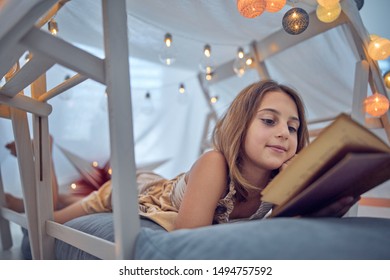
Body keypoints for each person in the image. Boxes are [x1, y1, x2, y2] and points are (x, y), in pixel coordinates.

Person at [5, 79, 359, 231]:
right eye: (270, 120)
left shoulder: (282, 185)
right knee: (49, 216)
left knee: (61, 197)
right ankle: (42, 154)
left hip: (167, 186)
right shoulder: (214, 162)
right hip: (135, 193)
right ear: (240, 125)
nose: (285, 132)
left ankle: (11, 200)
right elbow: (190, 237)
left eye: (294, 127)